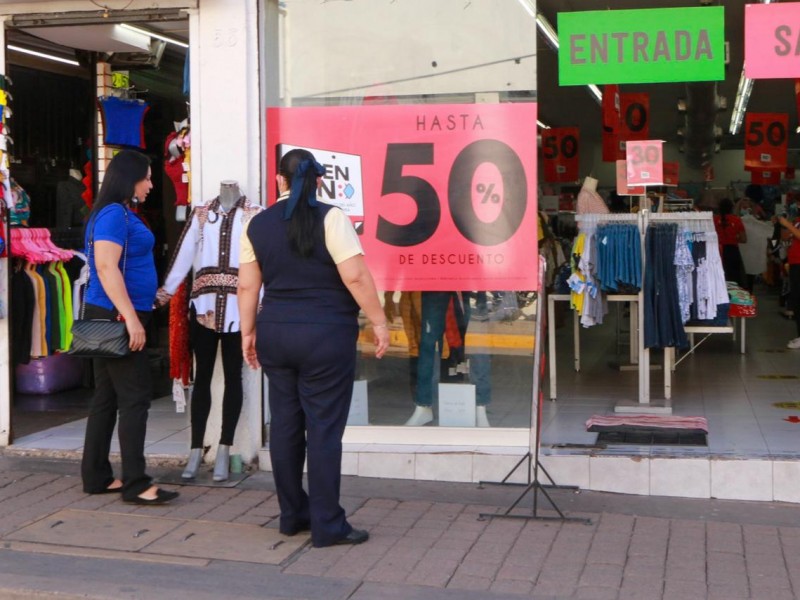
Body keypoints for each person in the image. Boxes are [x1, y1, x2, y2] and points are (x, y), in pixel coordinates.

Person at [237, 149, 389, 548]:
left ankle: (292, 516)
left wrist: (247, 333)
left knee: (285, 425)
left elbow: (248, 286)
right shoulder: (331, 217)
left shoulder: (256, 223)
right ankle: (327, 524)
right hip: (325, 335)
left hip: (276, 333)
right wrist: (379, 320)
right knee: (323, 429)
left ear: (279, 181)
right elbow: (355, 277)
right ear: (319, 181)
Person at [80, 150, 179, 506]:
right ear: (130, 178)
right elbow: (106, 268)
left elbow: (123, 267)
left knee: (106, 398)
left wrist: (150, 298)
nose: (152, 184)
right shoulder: (112, 215)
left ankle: (96, 476)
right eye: (148, 177)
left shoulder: (119, 213)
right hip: (116, 317)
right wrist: (131, 318)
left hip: (120, 312)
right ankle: (137, 484)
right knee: (135, 399)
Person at [156, 180, 262, 482]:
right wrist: (166, 291)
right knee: (201, 378)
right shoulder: (202, 212)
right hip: (203, 308)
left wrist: (260, 305)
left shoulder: (255, 214)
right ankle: (195, 449)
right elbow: (185, 255)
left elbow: (261, 263)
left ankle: (225, 448)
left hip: (238, 310)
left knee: (234, 376)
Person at [776, 210, 800, 348]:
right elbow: (787, 237)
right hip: (795, 263)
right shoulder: (796, 220)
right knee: (796, 300)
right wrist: (784, 227)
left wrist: (788, 225)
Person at [713, 198, 747, 287]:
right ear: (731, 208)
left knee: (719, 277)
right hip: (732, 252)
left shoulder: (714, 220)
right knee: (734, 278)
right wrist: (734, 238)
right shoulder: (736, 220)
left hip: (717, 251)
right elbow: (744, 239)